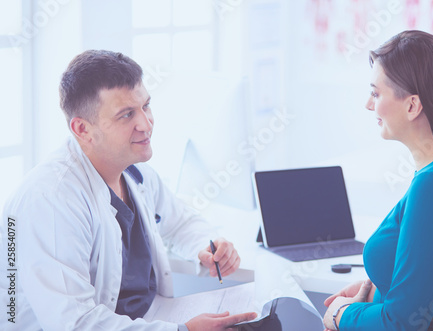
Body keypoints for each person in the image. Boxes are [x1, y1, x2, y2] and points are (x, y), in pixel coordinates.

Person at [1, 50, 256, 330]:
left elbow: (179, 221)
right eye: (126, 115)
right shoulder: (50, 201)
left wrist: (208, 246)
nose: (146, 124)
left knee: (251, 307)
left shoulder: (133, 170)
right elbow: (75, 323)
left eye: (146, 106)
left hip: (148, 315)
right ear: (83, 129)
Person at [322, 30, 433, 330]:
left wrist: (341, 314)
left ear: (413, 106)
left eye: (376, 93)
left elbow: (401, 323)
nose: (369, 104)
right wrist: (381, 288)